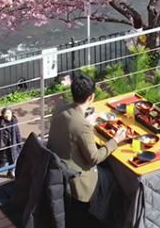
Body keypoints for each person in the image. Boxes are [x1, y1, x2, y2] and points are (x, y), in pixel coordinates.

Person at [47, 73, 128, 203]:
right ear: (91, 97)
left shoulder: (59, 109)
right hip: (78, 180)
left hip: (58, 170)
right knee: (116, 180)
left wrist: (84, 121)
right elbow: (94, 158)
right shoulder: (82, 126)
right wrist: (116, 140)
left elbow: (72, 127)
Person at [0, 107, 21, 185]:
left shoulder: (14, 122)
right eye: (5, 113)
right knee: (2, 163)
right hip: (4, 148)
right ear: (3, 115)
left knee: (13, 160)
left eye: (9, 113)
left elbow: (17, 134)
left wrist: (20, 145)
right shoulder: (0, 124)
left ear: (12, 114)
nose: (7, 115)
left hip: (13, 146)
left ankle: (10, 172)